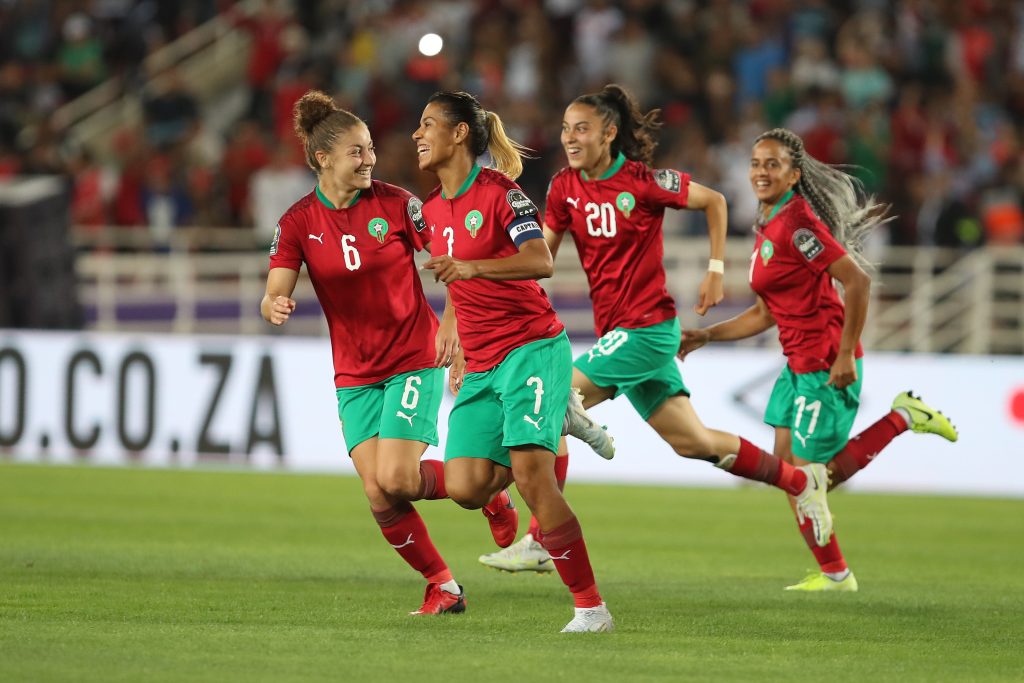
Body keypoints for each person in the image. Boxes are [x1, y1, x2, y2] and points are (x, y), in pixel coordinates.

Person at [480, 84, 835, 574]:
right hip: (619, 335)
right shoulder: (564, 187)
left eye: (581, 129)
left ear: (609, 133)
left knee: (554, 400)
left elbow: (714, 201)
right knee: (694, 442)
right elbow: (541, 256)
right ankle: (800, 482)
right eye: (565, 129)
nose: (570, 138)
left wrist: (715, 270)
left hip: (647, 329)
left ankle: (541, 539)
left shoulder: (643, 181)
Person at [262, 90, 515, 616]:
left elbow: (452, 257)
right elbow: (274, 288)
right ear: (323, 158)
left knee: (398, 477)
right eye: (357, 152)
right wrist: (274, 303)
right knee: (379, 492)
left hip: (412, 357)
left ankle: (490, 491)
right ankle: (443, 586)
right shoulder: (297, 222)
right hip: (354, 373)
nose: (369, 160)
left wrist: (454, 326)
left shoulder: (398, 204)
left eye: (371, 149)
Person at [677, 127, 959, 591]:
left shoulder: (797, 224)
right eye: (756, 163)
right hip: (795, 363)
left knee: (813, 479)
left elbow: (857, 281)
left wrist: (845, 353)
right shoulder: (768, 223)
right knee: (788, 473)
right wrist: (708, 335)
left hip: (825, 362)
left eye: (773, 164)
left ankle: (903, 416)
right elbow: (766, 312)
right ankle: (835, 573)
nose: (761, 172)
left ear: (794, 175)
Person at [414, 90, 614, 633]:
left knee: (532, 479)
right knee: (465, 486)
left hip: (531, 346)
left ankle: (591, 609)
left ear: (459, 133)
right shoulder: (431, 208)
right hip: (481, 361)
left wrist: (473, 269)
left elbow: (540, 259)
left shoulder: (501, 193)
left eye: (428, 124)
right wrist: (452, 327)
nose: (417, 134)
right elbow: (453, 274)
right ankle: (557, 421)